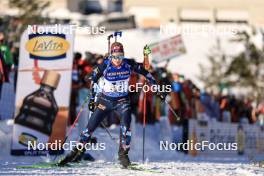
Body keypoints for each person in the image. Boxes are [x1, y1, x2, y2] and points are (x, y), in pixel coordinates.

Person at [58, 42, 165, 168]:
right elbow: (93, 78)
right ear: (111, 56)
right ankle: (75, 153)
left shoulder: (128, 64)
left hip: (122, 101)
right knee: (90, 127)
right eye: (115, 57)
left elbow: (146, 72)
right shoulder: (106, 64)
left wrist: (158, 89)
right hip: (106, 101)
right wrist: (92, 99)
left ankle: (123, 155)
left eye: (120, 56)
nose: (117, 60)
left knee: (126, 125)